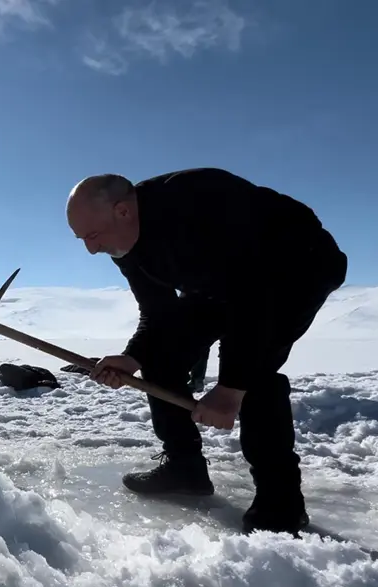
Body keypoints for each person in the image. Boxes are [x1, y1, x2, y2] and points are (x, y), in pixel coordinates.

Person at [65, 167, 347, 535]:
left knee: (255, 373)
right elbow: (158, 314)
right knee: (161, 357)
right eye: (82, 239)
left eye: (93, 235)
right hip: (220, 286)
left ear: (122, 211)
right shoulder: (126, 246)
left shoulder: (199, 198)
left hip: (293, 268)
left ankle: (281, 504)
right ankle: (185, 469)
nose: (91, 248)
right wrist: (133, 357)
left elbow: (254, 298)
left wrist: (231, 388)